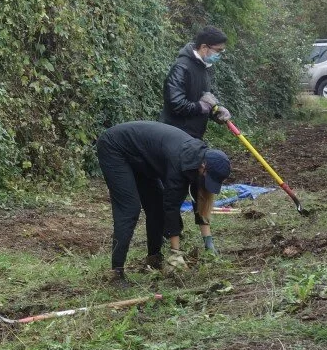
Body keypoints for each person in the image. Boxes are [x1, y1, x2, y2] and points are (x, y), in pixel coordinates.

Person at [95, 120, 231, 284]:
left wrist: (209, 245)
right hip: (115, 147)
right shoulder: (179, 163)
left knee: (156, 207)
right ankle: (116, 273)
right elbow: (171, 207)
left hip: (142, 157)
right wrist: (175, 253)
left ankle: (153, 259)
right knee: (129, 209)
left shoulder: (197, 160)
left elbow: (201, 199)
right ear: (204, 166)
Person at [161, 26, 232, 140]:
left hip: (193, 137)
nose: (219, 55)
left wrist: (215, 111)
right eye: (218, 51)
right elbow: (175, 103)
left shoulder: (206, 68)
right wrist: (200, 107)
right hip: (174, 136)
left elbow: (202, 99)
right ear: (204, 47)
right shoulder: (182, 67)